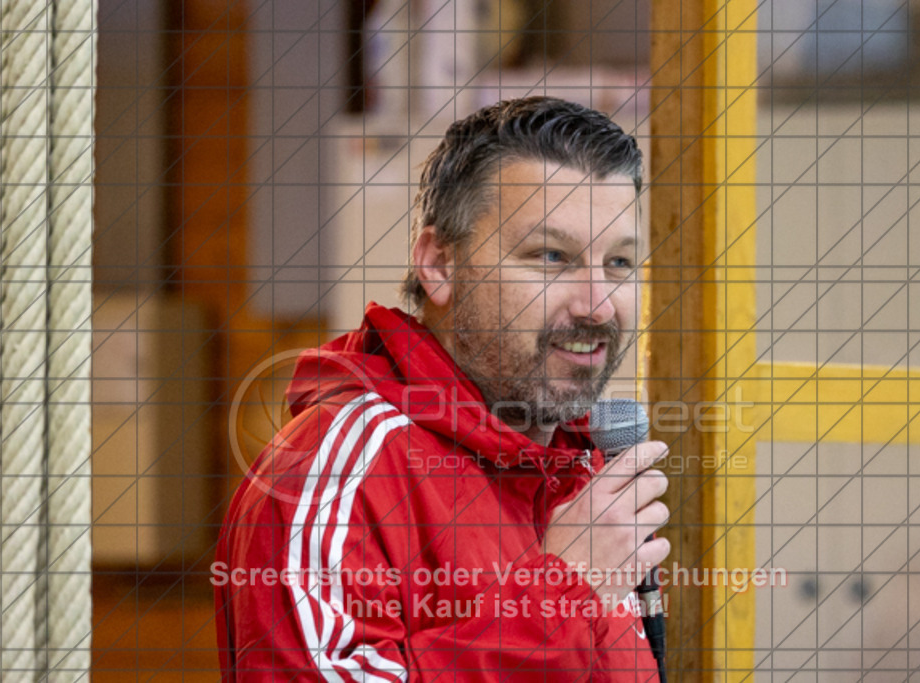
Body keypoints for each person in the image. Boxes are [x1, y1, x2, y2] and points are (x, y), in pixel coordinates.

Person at [215, 96, 671, 681]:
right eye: (551, 256)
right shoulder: (334, 477)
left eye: (619, 263)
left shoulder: (582, 472)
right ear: (439, 265)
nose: (597, 305)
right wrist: (562, 594)